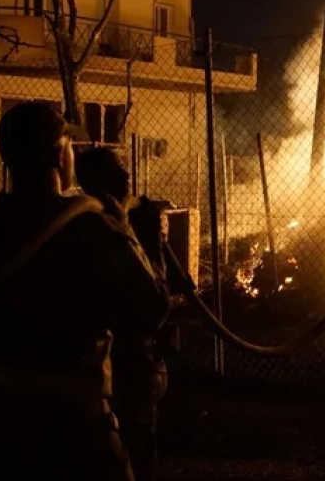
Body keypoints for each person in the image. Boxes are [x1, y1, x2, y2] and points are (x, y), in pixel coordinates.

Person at [0, 102, 170, 480]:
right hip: (77, 429)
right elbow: (152, 309)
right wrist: (130, 231)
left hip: (0, 428)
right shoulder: (93, 229)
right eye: (69, 145)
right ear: (57, 155)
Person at [75, 146, 195, 481]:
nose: (127, 175)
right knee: (133, 445)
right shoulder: (104, 226)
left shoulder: (117, 218)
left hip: (125, 359)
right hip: (125, 359)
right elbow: (155, 301)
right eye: (116, 169)